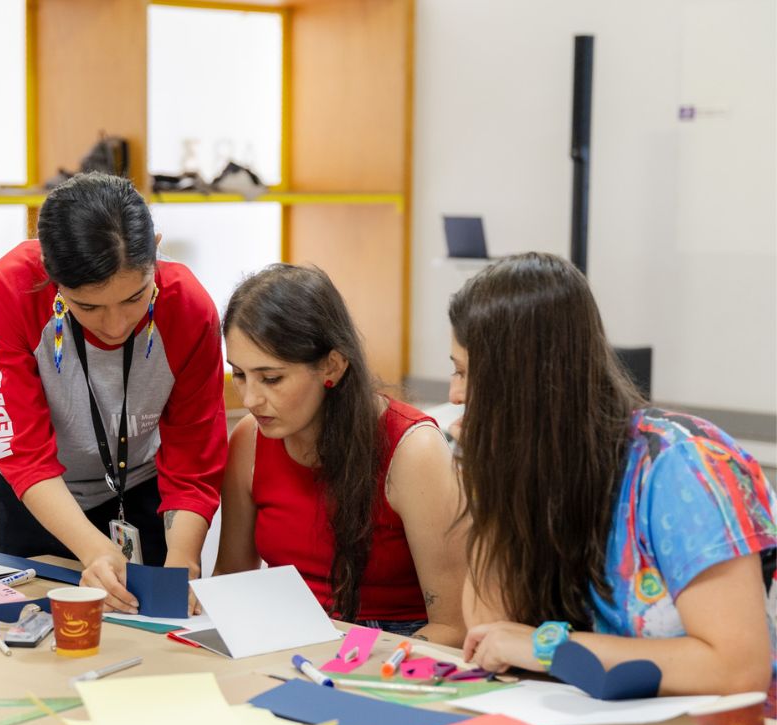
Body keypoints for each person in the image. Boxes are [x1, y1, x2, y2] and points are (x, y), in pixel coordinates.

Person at [453, 253, 776, 701]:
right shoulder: (545, 467)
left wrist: (549, 648)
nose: (454, 395)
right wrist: (491, 479)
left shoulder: (682, 464)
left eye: (465, 373)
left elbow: (738, 668)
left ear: (518, 384)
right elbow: (490, 632)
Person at [0, 173, 227, 613]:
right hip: (42, 499)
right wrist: (92, 550)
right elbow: (23, 451)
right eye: (88, 306)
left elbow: (194, 458)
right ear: (51, 277)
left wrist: (184, 560)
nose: (114, 326)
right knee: (34, 643)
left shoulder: (189, 308)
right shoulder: (8, 290)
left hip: (143, 494)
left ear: (157, 252)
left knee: (153, 645)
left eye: (134, 298)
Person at [216, 265, 467, 644]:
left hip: (397, 645)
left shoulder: (413, 449)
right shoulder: (250, 439)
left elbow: (452, 626)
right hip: (284, 635)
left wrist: (355, 667)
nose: (250, 399)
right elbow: (232, 582)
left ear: (332, 366)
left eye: (271, 379)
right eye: (239, 375)